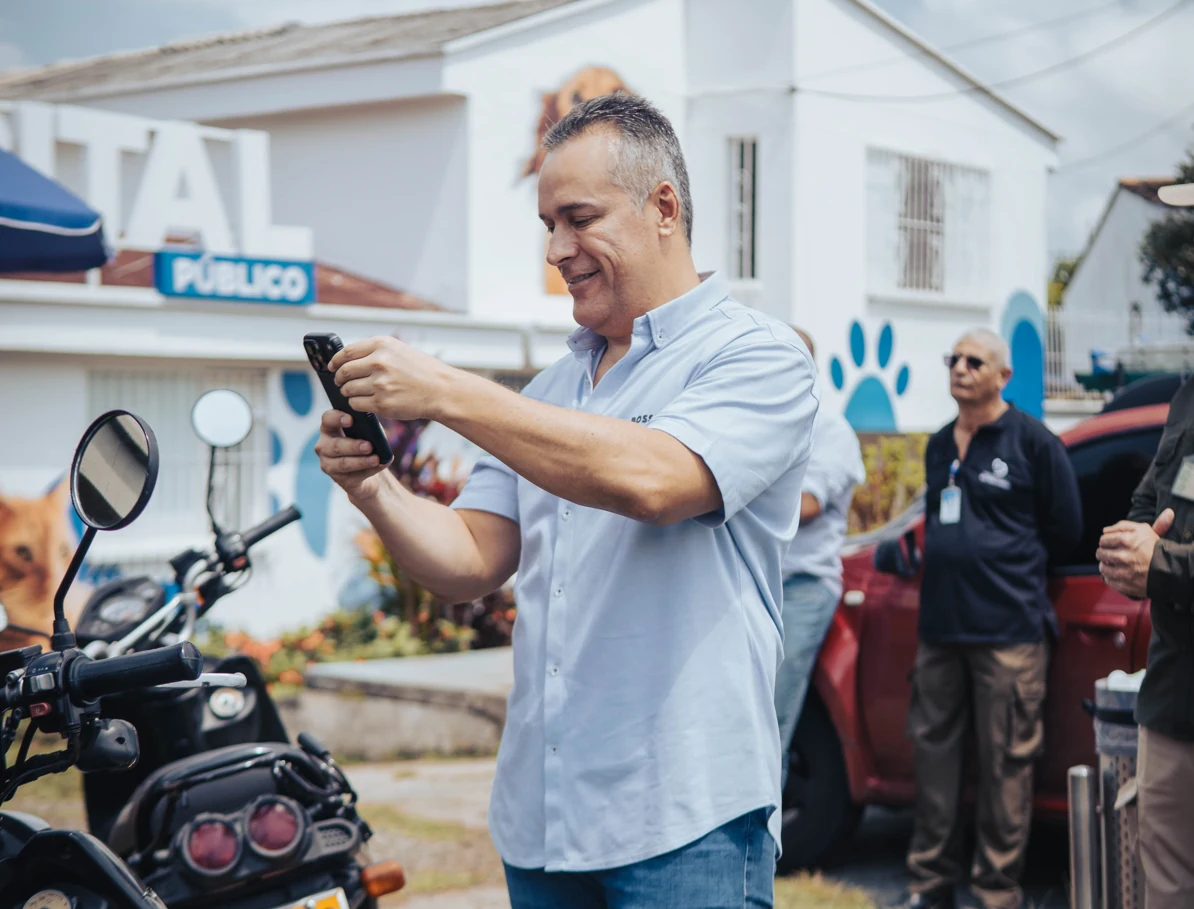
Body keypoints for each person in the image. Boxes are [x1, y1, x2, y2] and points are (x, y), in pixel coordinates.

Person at [316, 93, 820, 908]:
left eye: (578, 218)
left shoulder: (756, 356)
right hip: (543, 818)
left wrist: (448, 388)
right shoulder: (550, 390)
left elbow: (656, 480)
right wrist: (374, 487)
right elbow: (469, 561)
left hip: (685, 815)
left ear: (664, 207)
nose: (557, 249)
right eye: (548, 223)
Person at [903, 329, 1081, 909]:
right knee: (933, 764)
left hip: (1009, 632)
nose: (959, 367)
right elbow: (935, 520)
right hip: (940, 630)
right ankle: (929, 888)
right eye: (951, 357)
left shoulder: (1034, 443)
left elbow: (1065, 529)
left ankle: (994, 894)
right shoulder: (936, 446)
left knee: (1006, 767)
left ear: (1002, 376)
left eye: (973, 361)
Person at [1096, 178, 1194, 909]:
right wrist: (1130, 548)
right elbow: (1146, 500)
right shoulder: (1190, 388)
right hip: (1173, 701)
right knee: (1164, 887)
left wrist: (1165, 564)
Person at [774, 328, 865, 790]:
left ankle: (758, 852)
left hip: (803, 587)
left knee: (771, 714)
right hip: (753, 584)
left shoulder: (830, 430)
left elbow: (806, 508)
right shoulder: (756, 424)